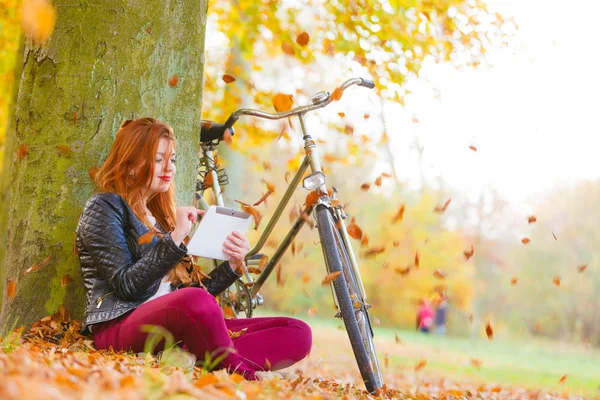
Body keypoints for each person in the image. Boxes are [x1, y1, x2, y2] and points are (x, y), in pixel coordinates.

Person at [76, 118, 312, 380]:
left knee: (297, 331)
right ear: (130, 166)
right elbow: (127, 286)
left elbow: (191, 298)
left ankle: (188, 357)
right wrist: (175, 238)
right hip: (120, 325)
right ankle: (245, 376)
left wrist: (232, 265)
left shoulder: (161, 218)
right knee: (196, 303)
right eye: (158, 160)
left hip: (176, 327)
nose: (169, 169)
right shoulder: (105, 207)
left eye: (172, 160)